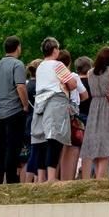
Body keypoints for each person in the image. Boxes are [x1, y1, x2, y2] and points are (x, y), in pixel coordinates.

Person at [0, 36, 30, 185]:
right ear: (18, 47)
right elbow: (20, 86)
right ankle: (11, 177)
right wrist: (25, 105)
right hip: (14, 110)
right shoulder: (17, 64)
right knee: (13, 146)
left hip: (0, 112)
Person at [30, 38, 79, 183]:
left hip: (40, 103)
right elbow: (72, 83)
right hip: (55, 101)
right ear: (55, 50)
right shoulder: (58, 65)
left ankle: (41, 177)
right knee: (55, 137)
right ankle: (51, 177)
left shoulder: (40, 67)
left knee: (40, 139)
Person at [81, 47, 109, 180]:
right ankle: (100, 179)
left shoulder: (89, 73)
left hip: (94, 108)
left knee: (96, 144)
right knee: (106, 144)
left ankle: (98, 177)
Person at [66, 52, 92, 180]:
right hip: (90, 117)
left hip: (75, 117)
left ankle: (70, 177)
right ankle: (86, 177)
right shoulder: (93, 82)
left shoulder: (71, 81)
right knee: (88, 149)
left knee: (73, 148)